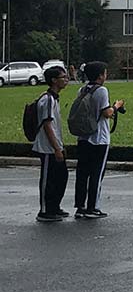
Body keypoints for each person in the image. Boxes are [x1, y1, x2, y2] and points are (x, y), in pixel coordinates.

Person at [74, 61, 124, 219]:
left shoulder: (82, 90)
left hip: (83, 137)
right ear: (100, 75)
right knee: (97, 173)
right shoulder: (102, 91)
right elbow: (106, 113)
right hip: (99, 138)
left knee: (82, 174)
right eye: (105, 73)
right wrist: (116, 106)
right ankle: (93, 207)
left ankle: (80, 206)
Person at [33, 66, 70, 222]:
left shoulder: (54, 98)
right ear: (54, 80)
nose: (66, 80)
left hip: (55, 146)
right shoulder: (47, 99)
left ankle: (54, 206)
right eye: (63, 77)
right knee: (48, 179)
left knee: (61, 176)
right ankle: (45, 210)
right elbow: (48, 125)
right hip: (48, 147)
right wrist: (56, 148)